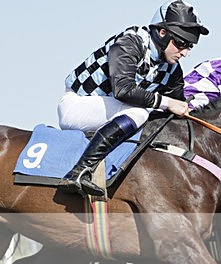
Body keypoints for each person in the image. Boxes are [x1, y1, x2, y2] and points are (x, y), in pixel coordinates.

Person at [57, 1, 209, 197]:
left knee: (159, 120)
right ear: (162, 33)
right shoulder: (130, 42)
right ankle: (79, 171)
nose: (185, 52)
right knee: (139, 112)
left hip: (110, 112)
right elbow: (123, 90)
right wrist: (168, 103)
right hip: (77, 105)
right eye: (180, 43)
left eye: (189, 46)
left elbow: (179, 110)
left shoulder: (172, 69)